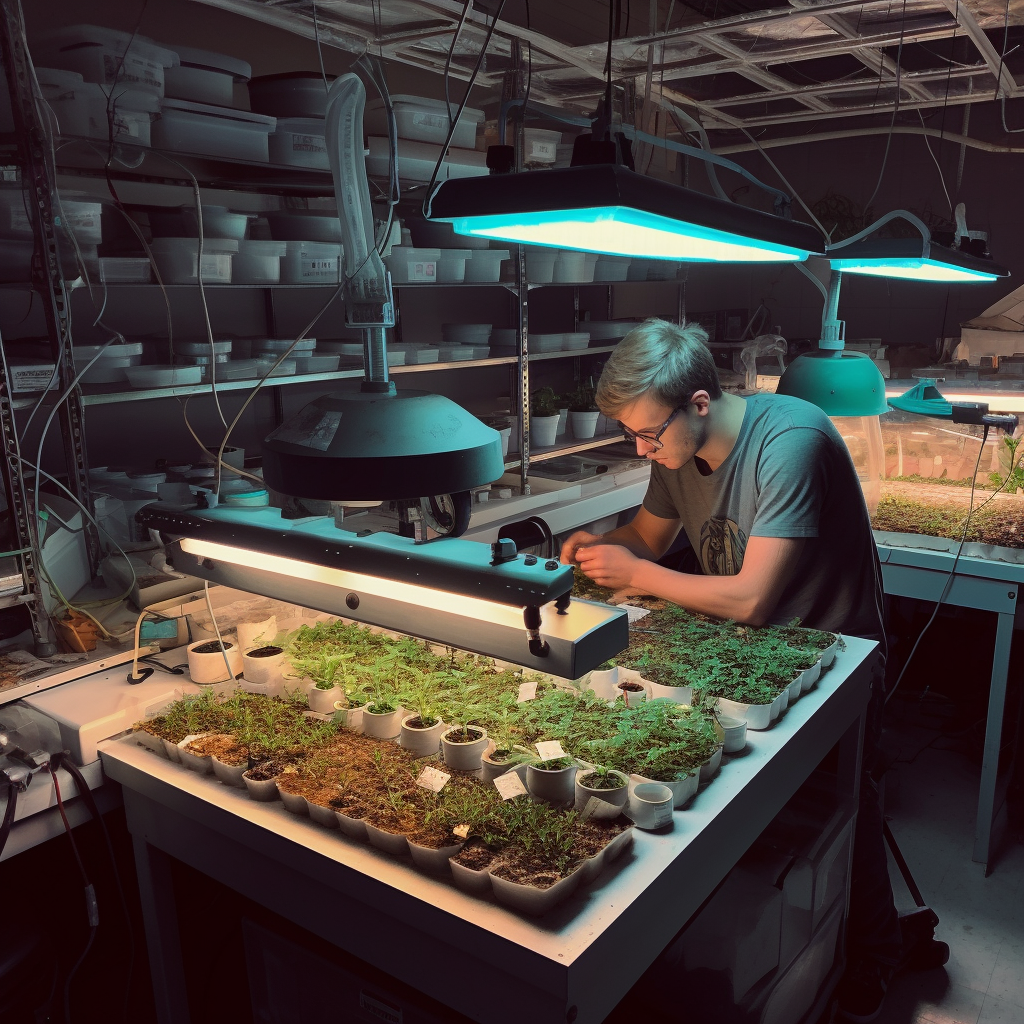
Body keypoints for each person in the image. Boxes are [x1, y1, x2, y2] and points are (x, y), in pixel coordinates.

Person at [560, 318, 903, 1023]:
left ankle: (872, 951)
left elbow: (750, 598)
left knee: (847, 810)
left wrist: (641, 574)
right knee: (741, 807)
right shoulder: (674, 448)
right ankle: (737, 954)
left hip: (828, 654)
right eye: (632, 435)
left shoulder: (790, 443)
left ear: (700, 403)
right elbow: (648, 537)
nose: (642, 448)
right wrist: (597, 548)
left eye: (649, 434)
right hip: (743, 654)